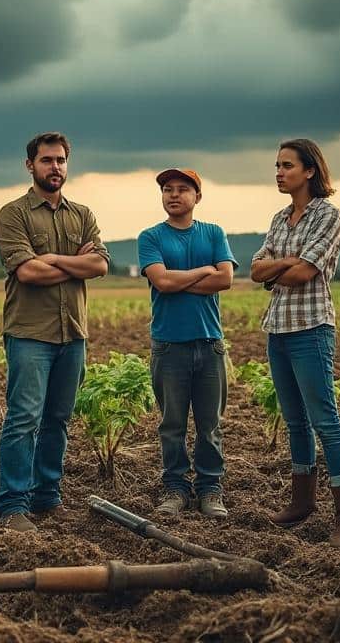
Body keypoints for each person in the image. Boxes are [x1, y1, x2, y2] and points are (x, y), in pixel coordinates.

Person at [0, 132, 110, 532]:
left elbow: (100, 266)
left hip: (72, 333)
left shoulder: (83, 214)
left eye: (60, 160)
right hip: (30, 333)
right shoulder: (14, 213)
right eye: (46, 160)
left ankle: (47, 497)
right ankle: (12, 505)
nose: (55, 167)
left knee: (58, 418)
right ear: (30, 165)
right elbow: (27, 271)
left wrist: (53, 259)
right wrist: (73, 263)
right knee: (24, 418)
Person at [250, 139, 340, 547]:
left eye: (287, 166)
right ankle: (302, 502)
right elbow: (257, 269)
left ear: (310, 170)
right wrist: (283, 267)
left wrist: (280, 269)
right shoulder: (280, 218)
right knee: (294, 421)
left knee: (325, 422)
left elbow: (305, 273)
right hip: (277, 329)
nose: (279, 172)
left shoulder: (328, 216)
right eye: (276, 165)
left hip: (311, 328)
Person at [138, 168, 236, 519]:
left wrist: (180, 279)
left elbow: (225, 279)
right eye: (167, 189)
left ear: (197, 196)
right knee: (172, 425)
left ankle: (210, 488)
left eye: (182, 189)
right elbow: (161, 282)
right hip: (169, 346)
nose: (174, 195)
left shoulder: (213, 233)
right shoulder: (150, 237)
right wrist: (202, 272)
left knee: (210, 426)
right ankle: (175, 488)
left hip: (209, 345)